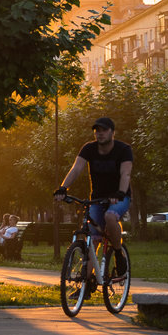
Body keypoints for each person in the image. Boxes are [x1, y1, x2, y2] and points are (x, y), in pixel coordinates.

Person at [53, 116, 132, 276]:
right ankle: (86, 283)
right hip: (97, 198)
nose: (100, 134)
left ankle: (118, 253)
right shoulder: (88, 148)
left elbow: (126, 173)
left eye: (104, 130)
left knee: (110, 216)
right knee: (93, 240)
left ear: (112, 132)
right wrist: (63, 188)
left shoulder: (123, 149)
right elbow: (76, 169)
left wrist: (121, 192)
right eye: (97, 131)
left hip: (119, 196)